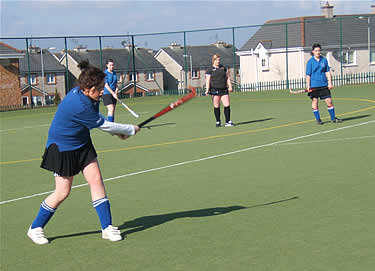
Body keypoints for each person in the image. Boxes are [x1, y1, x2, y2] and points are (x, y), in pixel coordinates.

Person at [27, 60, 140, 245]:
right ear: (87, 89)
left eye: (103, 87)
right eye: (99, 88)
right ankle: (35, 228)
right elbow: (103, 125)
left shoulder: (90, 97)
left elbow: (98, 120)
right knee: (63, 191)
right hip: (63, 148)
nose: (102, 91)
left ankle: (107, 227)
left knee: (96, 181)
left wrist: (118, 131)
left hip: (82, 143)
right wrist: (130, 129)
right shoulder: (77, 103)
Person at [306, 43, 342, 124]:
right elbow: (308, 75)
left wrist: (330, 83)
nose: (318, 52)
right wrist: (308, 86)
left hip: (323, 85)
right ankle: (318, 120)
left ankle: (333, 118)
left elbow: (327, 71)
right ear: (313, 52)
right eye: (316, 51)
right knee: (315, 101)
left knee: (329, 101)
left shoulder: (324, 60)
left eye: (319, 50)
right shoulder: (310, 62)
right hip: (314, 85)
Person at [205, 54, 234, 127]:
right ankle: (218, 121)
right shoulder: (210, 69)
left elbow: (227, 78)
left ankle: (228, 122)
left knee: (227, 105)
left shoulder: (223, 68)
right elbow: (207, 80)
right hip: (214, 90)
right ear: (213, 60)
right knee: (216, 106)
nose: (218, 61)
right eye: (216, 60)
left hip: (224, 89)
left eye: (219, 60)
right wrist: (207, 90)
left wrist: (230, 86)